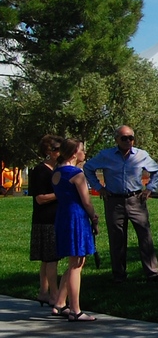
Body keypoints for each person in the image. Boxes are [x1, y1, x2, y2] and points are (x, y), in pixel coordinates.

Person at [83, 125, 158, 284]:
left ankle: (153, 273)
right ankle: (119, 275)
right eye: (124, 138)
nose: (128, 141)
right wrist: (99, 188)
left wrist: (149, 189)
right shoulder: (106, 155)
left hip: (136, 199)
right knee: (117, 238)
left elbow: (157, 171)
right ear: (116, 140)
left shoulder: (141, 155)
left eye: (131, 138)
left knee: (145, 236)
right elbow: (88, 168)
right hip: (114, 201)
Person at [50, 139, 99, 322]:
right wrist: (94, 217)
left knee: (73, 262)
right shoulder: (76, 174)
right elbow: (86, 201)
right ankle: (75, 309)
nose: (84, 153)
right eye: (81, 150)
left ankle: (60, 303)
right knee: (77, 263)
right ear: (73, 154)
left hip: (62, 215)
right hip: (76, 217)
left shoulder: (56, 172)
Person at [29, 135, 64, 306]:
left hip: (53, 218)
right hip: (46, 220)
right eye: (57, 149)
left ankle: (43, 292)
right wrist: (61, 194)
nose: (60, 152)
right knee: (51, 259)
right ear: (48, 151)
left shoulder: (56, 169)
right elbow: (40, 198)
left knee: (46, 259)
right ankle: (54, 295)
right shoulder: (41, 171)